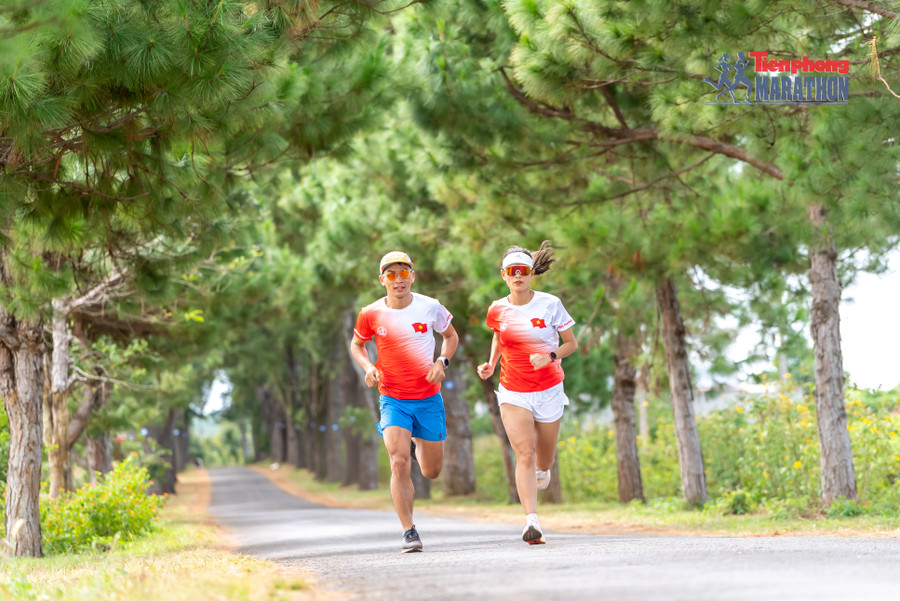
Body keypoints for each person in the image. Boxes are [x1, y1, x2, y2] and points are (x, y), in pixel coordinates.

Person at [350, 250, 459, 553]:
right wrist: (369, 367)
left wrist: (442, 362)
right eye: (391, 274)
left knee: (431, 471)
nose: (398, 280)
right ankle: (408, 531)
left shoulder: (431, 307)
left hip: (427, 398)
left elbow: (451, 336)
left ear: (413, 275)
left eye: (403, 273)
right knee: (398, 463)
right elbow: (358, 344)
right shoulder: (371, 312)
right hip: (393, 398)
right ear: (382, 279)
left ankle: (414, 442)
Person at [477, 241, 578, 545]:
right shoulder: (497, 308)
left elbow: (571, 344)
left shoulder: (550, 303)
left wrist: (549, 356)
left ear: (531, 273)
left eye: (522, 270)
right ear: (504, 275)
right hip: (513, 390)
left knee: (543, 461)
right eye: (512, 271)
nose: (517, 275)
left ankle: (542, 472)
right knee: (524, 452)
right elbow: (499, 337)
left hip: (548, 389)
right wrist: (491, 364)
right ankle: (531, 522)